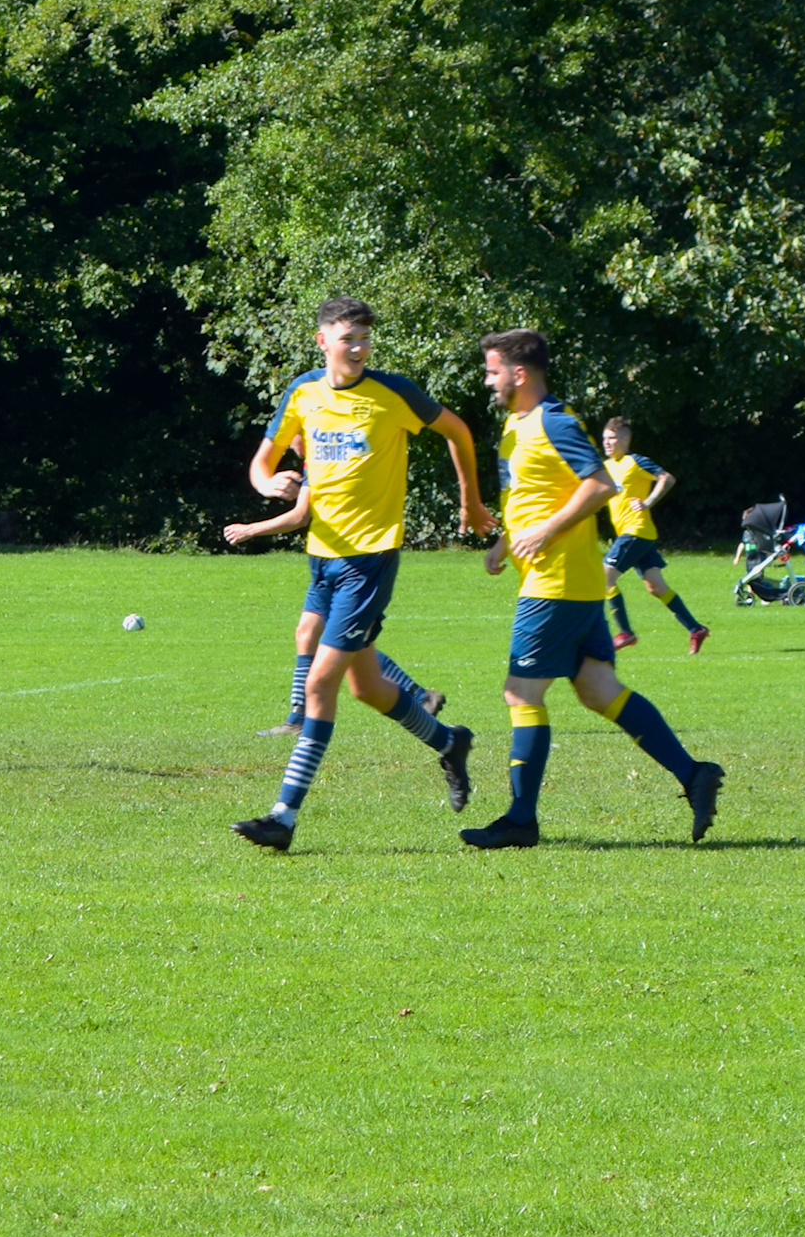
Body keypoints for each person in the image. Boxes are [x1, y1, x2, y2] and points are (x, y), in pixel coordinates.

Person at [229, 298, 496, 852]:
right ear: (322, 339)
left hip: (369, 561)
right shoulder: (303, 392)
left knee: (322, 683)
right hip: (321, 559)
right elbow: (263, 459)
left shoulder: (392, 393)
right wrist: (266, 484)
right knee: (367, 686)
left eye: (365, 339)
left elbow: (459, 431)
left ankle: (283, 816)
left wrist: (471, 502)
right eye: (348, 338)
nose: (358, 348)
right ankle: (449, 743)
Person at [461, 328, 724, 850]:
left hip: (554, 583)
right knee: (598, 689)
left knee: (521, 692)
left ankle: (520, 818)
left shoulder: (553, 421)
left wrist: (544, 531)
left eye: (493, 371)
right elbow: (533, 495)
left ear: (519, 373)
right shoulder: (515, 427)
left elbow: (601, 484)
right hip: (571, 582)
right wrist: (508, 539)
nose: (487, 381)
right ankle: (693, 774)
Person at [223, 487, 448, 734]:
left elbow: (300, 516)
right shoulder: (316, 457)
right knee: (308, 634)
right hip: (326, 561)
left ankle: (420, 700)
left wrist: (250, 529)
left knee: (343, 646)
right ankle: (299, 715)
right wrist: (266, 481)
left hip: (352, 565)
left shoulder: (327, 454)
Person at [598, 417, 709, 654]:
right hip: (640, 536)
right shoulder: (607, 466)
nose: (606, 443)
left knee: (602, 577)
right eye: (604, 438)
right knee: (656, 587)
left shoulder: (634, 462)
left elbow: (666, 478)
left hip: (635, 532)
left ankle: (625, 632)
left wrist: (648, 502)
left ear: (625, 439)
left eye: (612, 438)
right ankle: (696, 629)